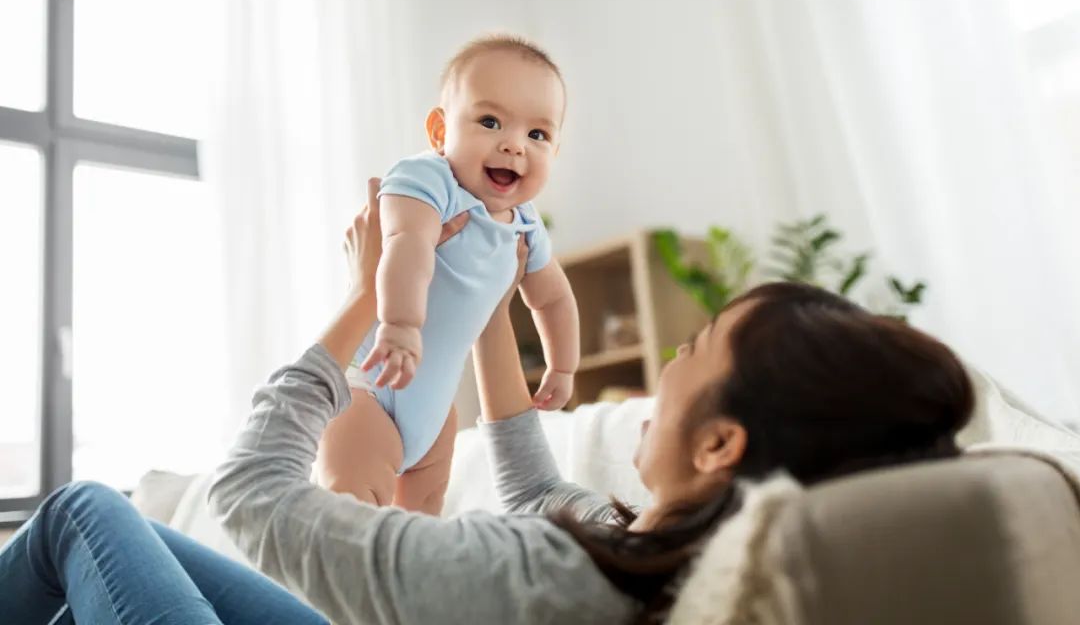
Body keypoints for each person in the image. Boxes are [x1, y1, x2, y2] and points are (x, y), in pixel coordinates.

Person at [0, 179, 975, 624]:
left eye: (692, 348)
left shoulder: (541, 576)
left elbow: (255, 492)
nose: (664, 365)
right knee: (117, 564)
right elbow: (528, 477)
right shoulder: (651, 558)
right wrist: (480, 310)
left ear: (721, 442)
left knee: (86, 514)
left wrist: (363, 300)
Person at [325, 34, 579, 514]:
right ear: (440, 132)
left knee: (421, 531)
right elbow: (408, 245)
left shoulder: (525, 222)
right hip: (368, 388)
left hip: (433, 416)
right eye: (490, 121)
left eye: (537, 135)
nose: (513, 145)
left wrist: (562, 365)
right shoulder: (427, 180)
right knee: (351, 517)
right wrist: (400, 325)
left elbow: (553, 299)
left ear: (555, 151)